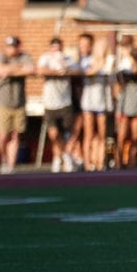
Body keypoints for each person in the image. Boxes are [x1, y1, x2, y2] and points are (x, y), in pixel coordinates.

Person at [0, 36, 35, 174]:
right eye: (9, 46)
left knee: (15, 135)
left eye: (15, 46)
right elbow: (0, 70)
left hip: (19, 103)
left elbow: (30, 69)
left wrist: (11, 70)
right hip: (4, 103)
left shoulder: (24, 57)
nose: (12, 49)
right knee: (3, 136)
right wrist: (17, 68)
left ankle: (11, 166)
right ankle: (4, 159)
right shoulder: (1, 56)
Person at [36, 36, 77, 172]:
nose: (56, 50)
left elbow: (78, 70)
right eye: (54, 47)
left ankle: (61, 157)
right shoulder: (46, 58)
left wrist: (66, 70)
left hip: (65, 102)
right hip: (50, 103)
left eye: (59, 47)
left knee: (67, 133)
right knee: (53, 134)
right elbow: (40, 70)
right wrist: (56, 72)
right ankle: (63, 155)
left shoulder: (67, 59)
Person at [76, 32, 111, 172]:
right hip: (88, 102)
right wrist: (99, 64)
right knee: (89, 134)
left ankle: (99, 163)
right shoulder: (86, 60)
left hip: (101, 101)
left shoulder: (107, 62)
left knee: (102, 134)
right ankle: (87, 164)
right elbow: (87, 72)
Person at [114, 44, 137, 169]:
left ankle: (132, 164)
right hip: (125, 105)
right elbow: (122, 78)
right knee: (121, 137)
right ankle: (118, 164)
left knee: (135, 138)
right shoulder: (124, 66)